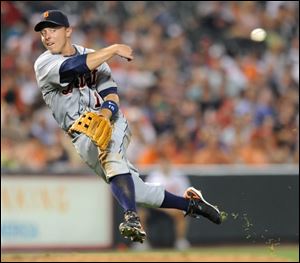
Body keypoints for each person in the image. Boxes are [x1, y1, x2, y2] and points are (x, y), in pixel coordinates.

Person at [33, 10, 222, 243]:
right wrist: (112, 49)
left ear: (68, 30)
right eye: (43, 32)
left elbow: (111, 94)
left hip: (111, 121)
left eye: (53, 29)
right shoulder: (44, 63)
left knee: (111, 157)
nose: (47, 36)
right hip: (80, 135)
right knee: (138, 192)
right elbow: (73, 68)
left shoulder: (95, 55)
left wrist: (104, 114)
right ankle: (191, 204)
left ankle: (131, 217)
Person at [138, 153, 192, 250]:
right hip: (157, 207)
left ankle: (180, 241)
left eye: (165, 162)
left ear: (169, 162)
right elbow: (149, 197)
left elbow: (185, 197)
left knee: (183, 212)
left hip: (174, 207)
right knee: (141, 213)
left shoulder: (179, 177)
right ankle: (142, 242)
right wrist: (165, 208)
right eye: (161, 162)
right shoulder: (154, 177)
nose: (163, 164)